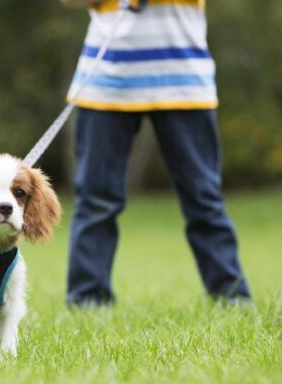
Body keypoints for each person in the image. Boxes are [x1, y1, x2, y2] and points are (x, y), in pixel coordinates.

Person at [62, 0, 251, 305]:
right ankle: (87, 301)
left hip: (185, 82)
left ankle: (232, 297)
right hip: (105, 81)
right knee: (95, 200)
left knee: (203, 198)